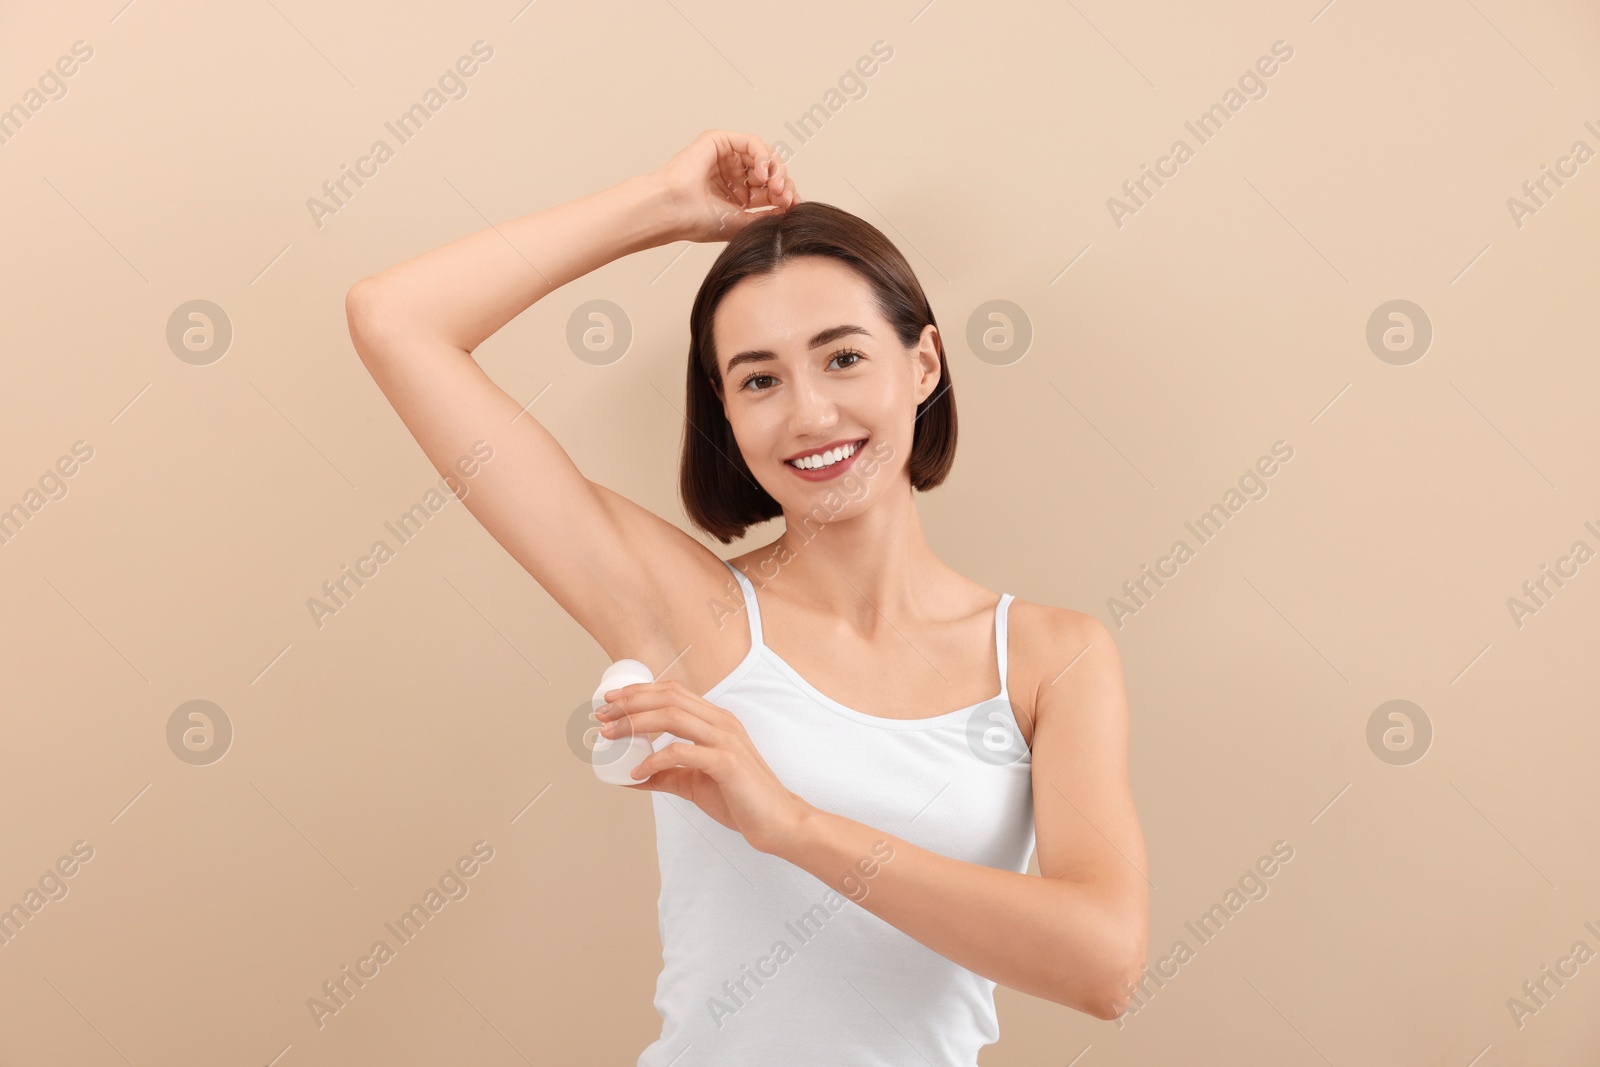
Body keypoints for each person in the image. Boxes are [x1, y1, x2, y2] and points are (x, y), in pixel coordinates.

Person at [345, 129, 1149, 1064]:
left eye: (843, 357)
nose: (808, 414)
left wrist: (794, 824)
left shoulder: (1053, 657)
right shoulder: (690, 615)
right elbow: (393, 317)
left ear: (923, 364)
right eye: (759, 378)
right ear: (726, 412)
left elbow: (1104, 966)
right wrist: (662, 206)